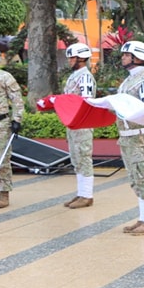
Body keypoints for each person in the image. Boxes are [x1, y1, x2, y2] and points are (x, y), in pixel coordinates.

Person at [116, 40, 144, 235]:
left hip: (141, 136)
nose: (123, 57)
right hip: (129, 136)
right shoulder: (129, 79)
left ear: (139, 57)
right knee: (136, 178)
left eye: (127, 54)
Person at [0, 44, 24, 209]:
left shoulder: (4, 77)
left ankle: (4, 192)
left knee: (2, 159)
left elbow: (17, 100)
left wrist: (17, 120)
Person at [62, 43, 97, 209]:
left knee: (83, 157)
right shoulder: (75, 75)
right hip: (73, 122)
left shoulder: (85, 77)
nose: (69, 60)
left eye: (72, 57)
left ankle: (87, 195)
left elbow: (86, 100)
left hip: (82, 122)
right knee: (76, 158)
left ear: (81, 58)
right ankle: (81, 192)